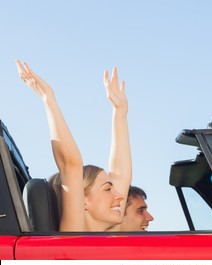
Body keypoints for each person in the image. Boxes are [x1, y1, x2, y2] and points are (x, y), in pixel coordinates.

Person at [16, 59, 132, 231]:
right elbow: (71, 165)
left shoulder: (106, 236)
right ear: (82, 200)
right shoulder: (74, 235)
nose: (120, 196)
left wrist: (120, 112)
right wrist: (48, 98)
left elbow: (121, 174)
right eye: (108, 189)